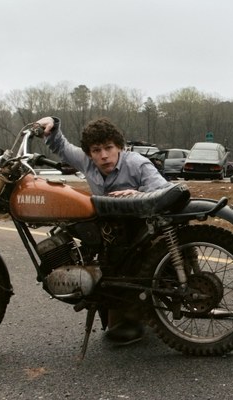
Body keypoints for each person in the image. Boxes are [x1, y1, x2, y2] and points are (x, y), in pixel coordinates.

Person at [36, 116, 170, 345]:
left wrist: (137, 194)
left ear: (120, 147)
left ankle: (137, 318)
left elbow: (164, 191)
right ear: (89, 153)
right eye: (96, 150)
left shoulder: (136, 163)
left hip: (141, 231)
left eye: (109, 148)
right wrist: (52, 124)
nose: (104, 155)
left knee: (122, 271)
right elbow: (61, 146)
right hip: (111, 232)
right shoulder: (88, 162)